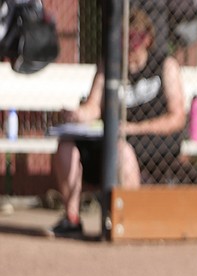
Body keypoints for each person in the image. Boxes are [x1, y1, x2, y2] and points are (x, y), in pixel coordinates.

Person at [48, 7, 186, 238]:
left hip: (151, 140)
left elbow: (177, 117)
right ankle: (71, 218)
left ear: (148, 39)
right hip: (112, 137)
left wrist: (136, 128)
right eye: (125, 38)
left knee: (123, 151)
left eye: (135, 38)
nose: (130, 47)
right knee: (66, 146)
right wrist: (79, 115)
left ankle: (128, 220)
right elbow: (94, 104)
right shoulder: (110, 63)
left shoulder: (164, 65)